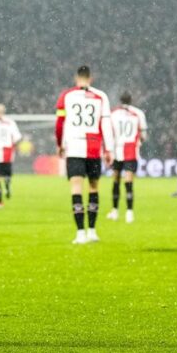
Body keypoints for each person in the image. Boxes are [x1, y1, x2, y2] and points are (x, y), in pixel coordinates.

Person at [55, 66, 113, 244]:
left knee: (76, 189)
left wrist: (59, 143)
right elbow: (105, 124)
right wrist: (108, 149)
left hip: (74, 146)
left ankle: (80, 233)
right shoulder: (101, 96)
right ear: (91, 78)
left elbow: (59, 123)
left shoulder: (66, 96)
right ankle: (93, 231)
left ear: (76, 78)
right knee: (94, 188)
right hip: (94, 148)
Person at [107, 93, 147, 223]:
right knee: (129, 182)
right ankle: (129, 213)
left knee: (116, 180)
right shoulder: (138, 113)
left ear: (120, 100)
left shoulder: (113, 113)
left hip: (117, 150)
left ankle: (115, 211)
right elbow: (143, 135)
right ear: (131, 100)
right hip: (131, 151)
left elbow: (109, 132)